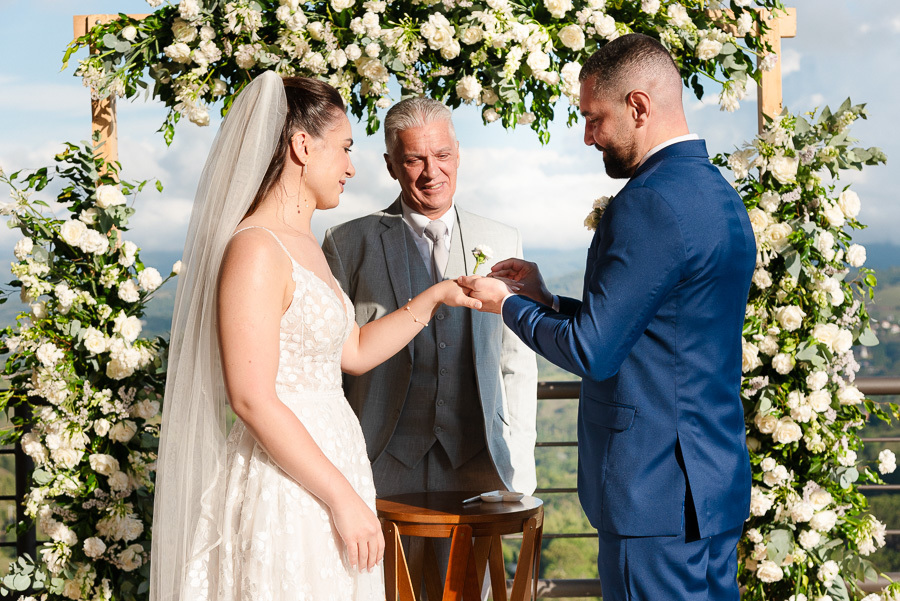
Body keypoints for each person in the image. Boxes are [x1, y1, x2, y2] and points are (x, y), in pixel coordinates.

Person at [150, 72, 481, 601]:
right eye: (345, 148)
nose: (353, 166)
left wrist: (436, 296)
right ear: (302, 146)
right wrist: (342, 499)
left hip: (336, 460)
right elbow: (251, 399)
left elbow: (352, 351)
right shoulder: (255, 249)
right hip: (290, 478)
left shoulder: (302, 242)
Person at [459, 34, 756, 601]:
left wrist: (507, 305)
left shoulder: (648, 201)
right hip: (710, 485)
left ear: (638, 106)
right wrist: (546, 300)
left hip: (654, 493)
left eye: (594, 117)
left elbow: (593, 351)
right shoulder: (717, 193)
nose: (588, 135)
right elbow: (656, 329)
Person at [322, 97, 537, 502]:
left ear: (458, 156)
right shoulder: (347, 243)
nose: (431, 172)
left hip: (479, 466)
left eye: (442, 155)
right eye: (414, 160)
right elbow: (330, 366)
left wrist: (519, 465)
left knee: (474, 570)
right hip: (377, 463)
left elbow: (516, 362)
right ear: (390, 165)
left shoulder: (504, 239)